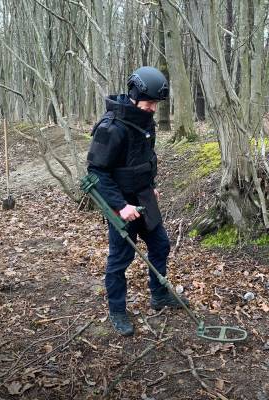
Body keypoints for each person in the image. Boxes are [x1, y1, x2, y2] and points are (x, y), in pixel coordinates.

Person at [86, 66, 189, 336]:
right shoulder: (111, 129)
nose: (153, 108)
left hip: (143, 196)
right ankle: (117, 310)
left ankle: (158, 295)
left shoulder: (145, 121)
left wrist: (150, 188)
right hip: (120, 203)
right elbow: (96, 172)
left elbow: (143, 161)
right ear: (134, 94)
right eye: (150, 102)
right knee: (121, 258)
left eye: (157, 103)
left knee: (160, 245)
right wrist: (121, 206)